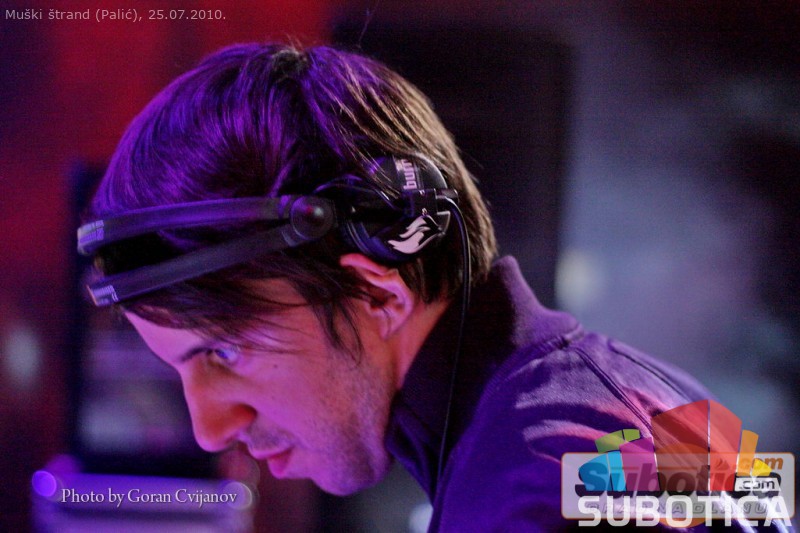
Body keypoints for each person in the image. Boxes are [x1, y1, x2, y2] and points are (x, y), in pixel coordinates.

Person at [79, 43, 787, 531]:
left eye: (222, 351)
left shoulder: (538, 487)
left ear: (378, 295)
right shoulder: (605, 415)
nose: (209, 427)